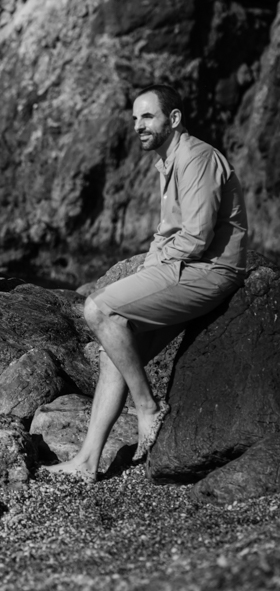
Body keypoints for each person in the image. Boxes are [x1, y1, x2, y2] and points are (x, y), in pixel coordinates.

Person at [47, 84, 248, 483]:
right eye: (135, 117)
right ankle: (87, 461)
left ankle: (147, 407)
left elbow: (197, 237)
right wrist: (149, 271)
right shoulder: (167, 161)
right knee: (114, 347)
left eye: (148, 117)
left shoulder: (196, 157)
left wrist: (151, 274)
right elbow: (165, 233)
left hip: (209, 271)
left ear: (172, 119)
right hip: (188, 268)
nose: (138, 125)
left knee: (98, 309)